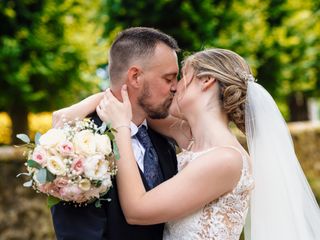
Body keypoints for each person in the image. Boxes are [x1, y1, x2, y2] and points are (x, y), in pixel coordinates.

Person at [58, 48, 320, 240]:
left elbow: (137, 210)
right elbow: (132, 102)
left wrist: (120, 129)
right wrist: (74, 111)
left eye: (182, 77)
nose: (174, 87)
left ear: (206, 81)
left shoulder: (226, 160)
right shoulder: (188, 136)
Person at [51, 27, 180, 240]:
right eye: (169, 78)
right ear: (135, 77)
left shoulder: (163, 140)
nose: (176, 87)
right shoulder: (76, 149)